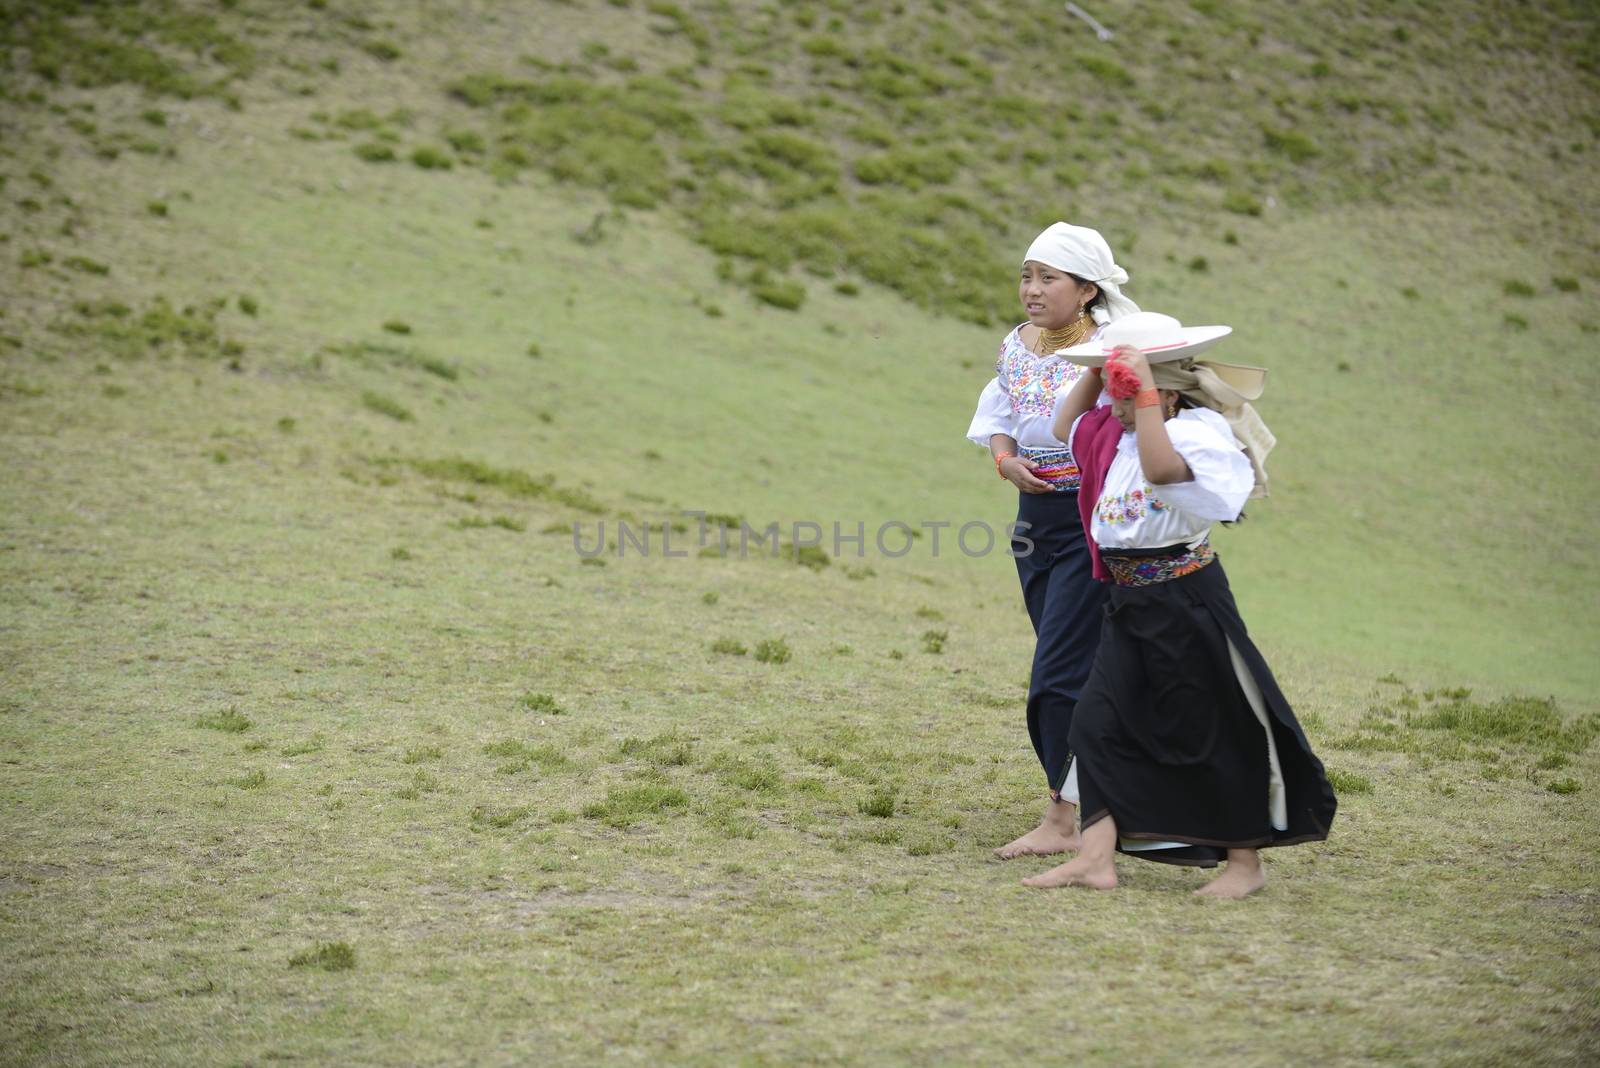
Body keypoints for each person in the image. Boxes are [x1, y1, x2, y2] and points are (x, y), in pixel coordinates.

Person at [1020, 311, 1337, 897]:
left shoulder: (1196, 434)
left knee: (1213, 726)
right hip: (1125, 600)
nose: (1112, 409)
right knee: (1094, 725)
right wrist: (1099, 368)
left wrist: (1139, 395)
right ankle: (1095, 858)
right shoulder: (1118, 433)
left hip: (1183, 599)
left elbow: (1166, 472)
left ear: (1161, 393)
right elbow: (1067, 426)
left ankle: (1245, 865)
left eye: (1127, 397)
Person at [965, 222, 1141, 859]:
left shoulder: (1111, 350)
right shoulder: (1018, 344)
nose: (1032, 290)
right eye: (1026, 275)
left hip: (1090, 521)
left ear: (1088, 289)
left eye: (1048, 278)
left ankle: (1064, 818)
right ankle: (1105, 800)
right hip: (1032, 524)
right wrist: (1004, 459)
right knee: (1073, 666)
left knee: (1056, 676)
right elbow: (1001, 412)